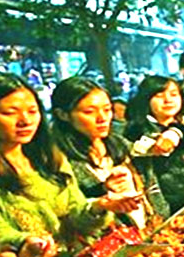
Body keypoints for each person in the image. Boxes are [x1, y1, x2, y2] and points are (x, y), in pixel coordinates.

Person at [0, 71, 137, 257]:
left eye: (32, 111)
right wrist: (25, 243)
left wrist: (102, 205)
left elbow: (77, 211)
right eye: (9, 113)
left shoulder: (48, 157)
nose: (25, 121)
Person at [51, 77, 170, 226]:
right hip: (114, 242)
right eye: (89, 112)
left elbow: (151, 186)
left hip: (153, 230)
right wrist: (102, 190)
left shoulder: (119, 143)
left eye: (107, 109)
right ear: (62, 115)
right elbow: (69, 212)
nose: (102, 118)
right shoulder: (59, 160)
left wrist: (172, 135)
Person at [125, 75, 184, 213]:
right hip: (166, 207)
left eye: (174, 94)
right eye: (159, 95)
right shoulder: (136, 131)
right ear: (146, 100)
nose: (168, 100)